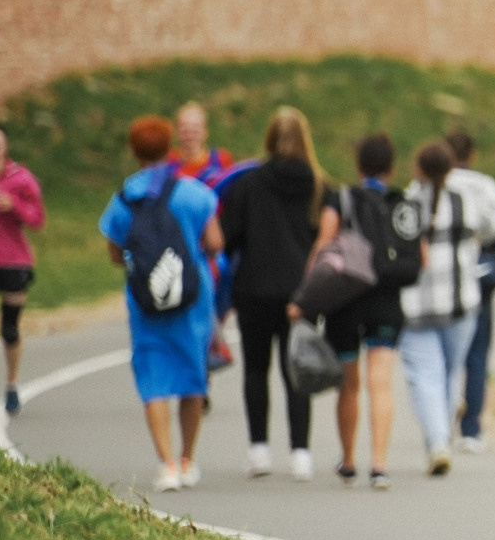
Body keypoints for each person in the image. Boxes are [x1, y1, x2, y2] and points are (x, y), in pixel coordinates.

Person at [99, 116, 223, 493]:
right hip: (192, 298)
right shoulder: (191, 193)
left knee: (154, 380)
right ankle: (187, 460)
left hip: (146, 300)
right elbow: (215, 243)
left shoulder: (123, 199)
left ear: (134, 151)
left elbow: (115, 254)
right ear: (170, 148)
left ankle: (165, 463)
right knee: (193, 377)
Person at [216, 107, 336, 480]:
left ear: (268, 139)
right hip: (301, 293)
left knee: (256, 368)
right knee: (297, 369)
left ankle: (259, 450)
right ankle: (300, 453)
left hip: (253, 288)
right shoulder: (320, 186)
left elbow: (228, 238)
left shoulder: (248, 184)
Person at [315, 133, 414, 490]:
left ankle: (349, 460)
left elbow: (324, 243)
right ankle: (380, 465)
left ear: (358, 165)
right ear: (391, 168)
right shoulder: (402, 203)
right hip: (386, 301)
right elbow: (421, 253)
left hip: (345, 301)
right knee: (380, 382)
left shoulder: (340, 199)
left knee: (349, 384)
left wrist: (307, 294)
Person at [397, 140, 495, 477]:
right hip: (460, 301)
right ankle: (446, 426)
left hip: (416, 304)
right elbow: (491, 228)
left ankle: (438, 441)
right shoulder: (465, 199)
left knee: (425, 375)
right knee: (451, 371)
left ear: (419, 168)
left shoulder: (408, 202)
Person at [443, 131, 495, 453]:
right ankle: (471, 429)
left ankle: (439, 425)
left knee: (442, 357)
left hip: (440, 281)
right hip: (477, 279)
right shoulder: (486, 187)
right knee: (477, 354)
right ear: (471, 155)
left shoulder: (429, 185)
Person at [170, 99, 246, 374]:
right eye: (184, 128)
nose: (189, 133)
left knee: (223, 278)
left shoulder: (220, 161)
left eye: (195, 127)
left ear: (204, 131)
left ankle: (211, 340)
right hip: (179, 244)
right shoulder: (169, 165)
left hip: (213, 244)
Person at [0, 128, 46, 418]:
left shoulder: (22, 179)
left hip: (13, 261)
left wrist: (13, 204)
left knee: (9, 327)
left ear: (5, 148)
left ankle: (12, 383)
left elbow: (38, 220)